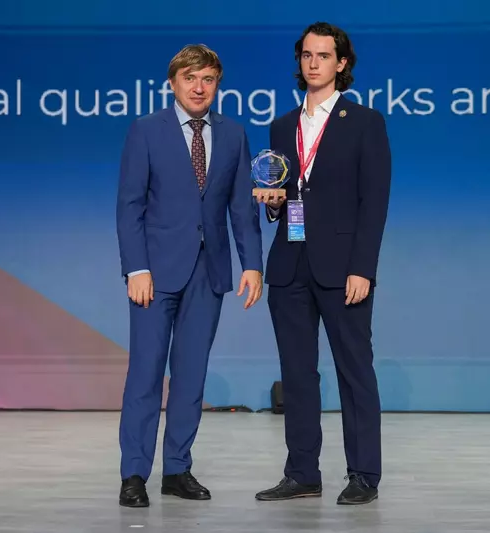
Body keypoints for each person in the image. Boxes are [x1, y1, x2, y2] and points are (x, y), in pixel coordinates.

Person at [115, 44, 263, 508]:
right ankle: (134, 474)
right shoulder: (146, 130)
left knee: (191, 376)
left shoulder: (234, 134)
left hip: (209, 271)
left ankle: (177, 470)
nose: (199, 88)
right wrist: (136, 267)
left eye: (208, 79)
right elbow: (129, 206)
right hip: (155, 274)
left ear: (217, 84)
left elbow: (241, 207)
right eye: (190, 78)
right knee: (145, 374)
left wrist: (252, 263)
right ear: (173, 83)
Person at [253, 22, 391, 505]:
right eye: (307, 55)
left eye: (324, 55)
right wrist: (272, 203)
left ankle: (364, 475)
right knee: (296, 374)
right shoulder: (281, 125)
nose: (313, 63)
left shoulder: (365, 122)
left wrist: (363, 268)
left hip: (343, 269)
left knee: (355, 372)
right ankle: (302, 473)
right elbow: (284, 195)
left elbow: (374, 202)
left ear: (341, 63)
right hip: (290, 265)